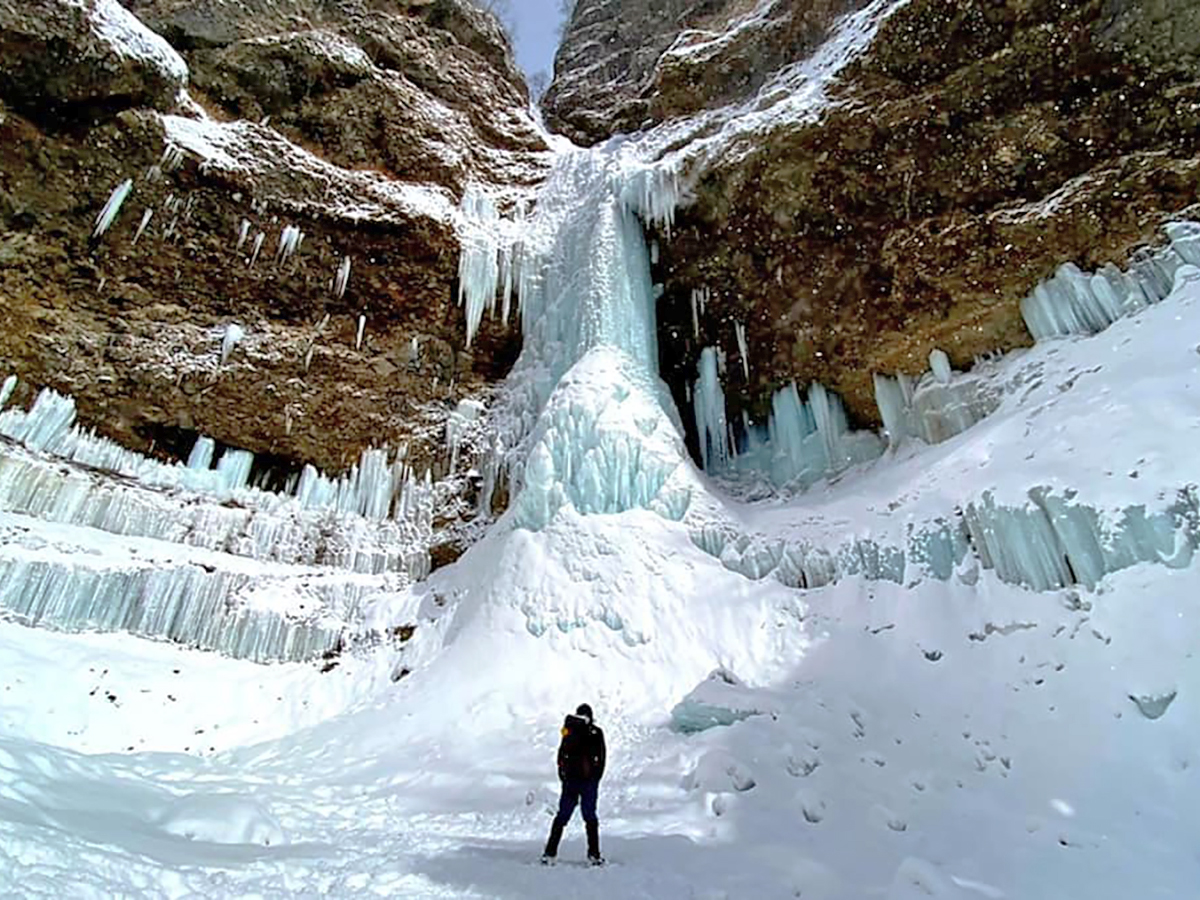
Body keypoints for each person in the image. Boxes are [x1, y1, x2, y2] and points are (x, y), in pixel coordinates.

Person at [541, 702, 606, 866]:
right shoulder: (596, 732)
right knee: (590, 817)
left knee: (562, 816)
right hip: (588, 782)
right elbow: (602, 757)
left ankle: (549, 853)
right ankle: (594, 855)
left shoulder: (569, 730)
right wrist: (595, 778)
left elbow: (561, 754)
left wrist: (564, 777)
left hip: (570, 780)